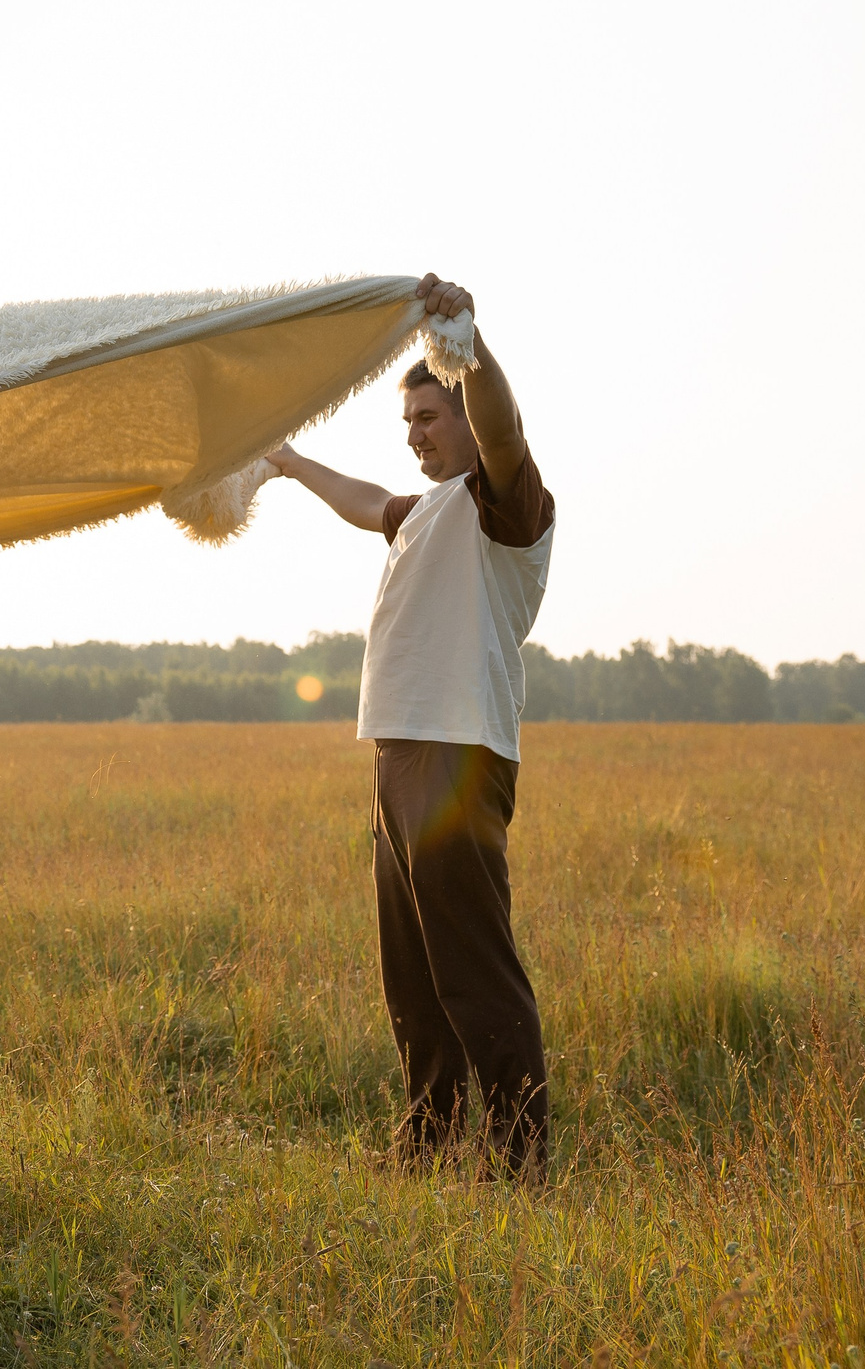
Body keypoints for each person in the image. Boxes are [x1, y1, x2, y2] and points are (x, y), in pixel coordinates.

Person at [265, 274, 557, 1175]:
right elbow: (366, 503)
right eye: (409, 425)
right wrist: (285, 460)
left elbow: (504, 429)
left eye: (430, 417)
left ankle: (519, 1160)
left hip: (458, 756)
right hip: (398, 755)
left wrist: (464, 343)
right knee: (415, 975)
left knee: (472, 966)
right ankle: (427, 1141)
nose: (416, 435)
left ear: (468, 415)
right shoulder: (426, 511)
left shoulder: (506, 503)